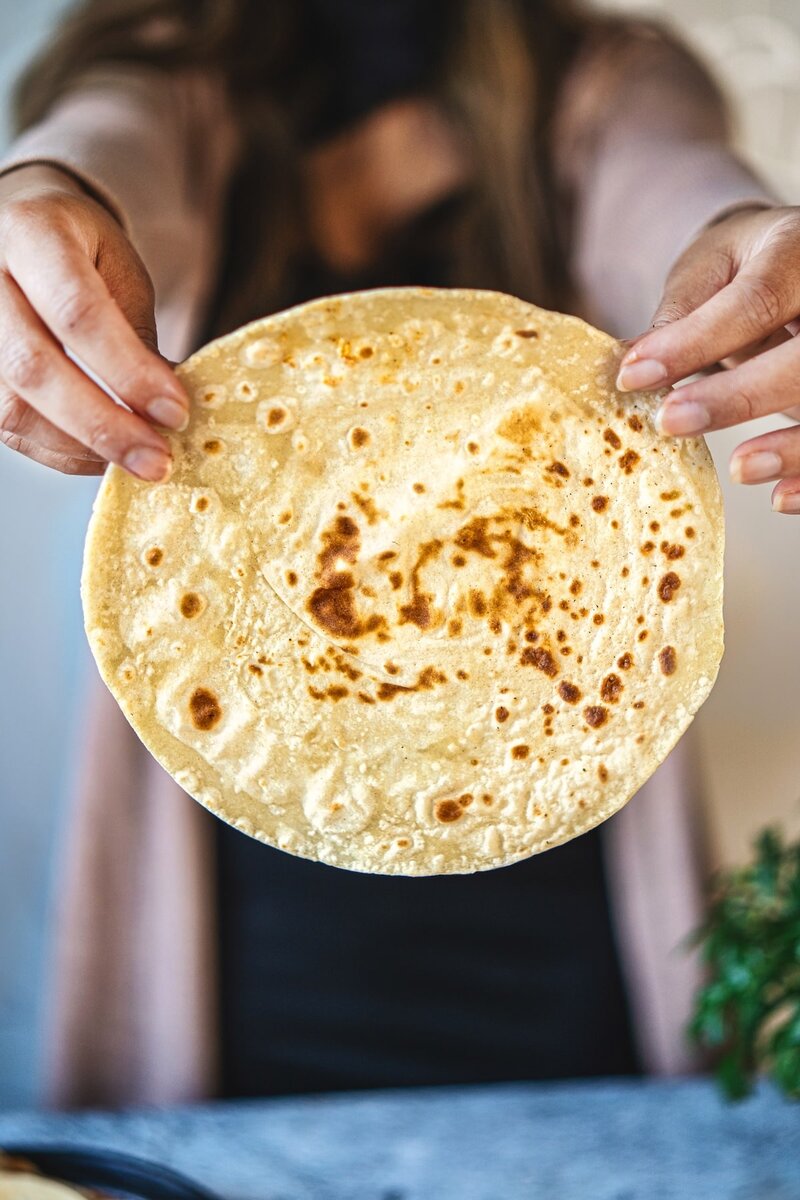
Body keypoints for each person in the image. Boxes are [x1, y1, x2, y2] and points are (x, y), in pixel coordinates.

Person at [0, 0, 796, 1108]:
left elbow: (669, 193)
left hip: (557, 872)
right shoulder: (171, 75)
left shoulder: (596, 85)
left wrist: (748, 244)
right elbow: (109, 155)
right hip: (241, 890)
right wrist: (49, 197)